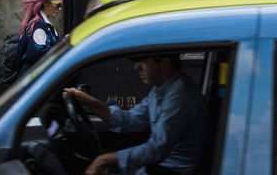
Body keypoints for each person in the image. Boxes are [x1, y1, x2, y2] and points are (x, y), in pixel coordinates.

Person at [63, 54, 210, 175]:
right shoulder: (160, 90)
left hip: (170, 170)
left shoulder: (180, 95)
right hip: (157, 166)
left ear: (164, 63)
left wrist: (104, 160)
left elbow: (157, 149)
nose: (136, 67)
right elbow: (131, 120)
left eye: (144, 62)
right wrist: (91, 103)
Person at [15, 0, 65, 77]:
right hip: (31, 81)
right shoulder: (38, 25)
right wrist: (62, 42)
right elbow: (40, 53)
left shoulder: (40, 23)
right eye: (58, 5)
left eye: (61, 5)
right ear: (46, 2)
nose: (60, 9)